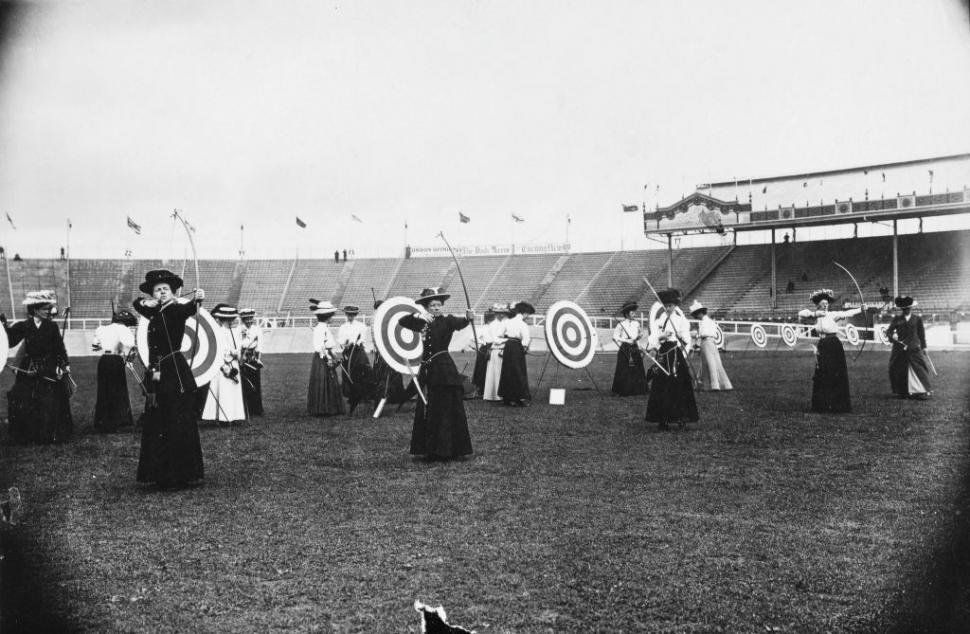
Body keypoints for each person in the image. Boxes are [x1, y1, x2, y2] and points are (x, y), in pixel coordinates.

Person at [132, 270, 205, 488]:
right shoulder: (154, 312)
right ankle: (159, 473)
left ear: (174, 293)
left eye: (166, 289)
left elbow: (189, 308)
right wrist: (146, 302)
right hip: (157, 370)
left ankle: (179, 474)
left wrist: (198, 299)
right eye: (157, 290)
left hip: (173, 371)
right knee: (158, 419)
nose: (162, 292)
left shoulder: (176, 309)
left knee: (176, 417)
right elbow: (137, 305)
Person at [398, 287, 474, 460]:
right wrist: (418, 315)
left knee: (446, 407)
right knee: (430, 407)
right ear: (427, 307)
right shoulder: (422, 321)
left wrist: (469, 317)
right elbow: (403, 321)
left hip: (444, 370)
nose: (436, 308)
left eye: (438, 305)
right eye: (432, 305)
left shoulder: (448, 321)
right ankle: (431, 449)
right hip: (428, 370)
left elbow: (462, 322)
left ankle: (450, 449)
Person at [3, 290, 74, 444]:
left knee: (48, 399)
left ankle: (47, 434)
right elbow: (10, 340)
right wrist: (3, 326)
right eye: (46, 308)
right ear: (35, 310)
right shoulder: (24, 325)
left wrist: (64, 364)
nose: (50, 311)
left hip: (48, 366)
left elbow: (59, 347)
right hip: (28, 367)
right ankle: (27, 435)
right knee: (24, 397)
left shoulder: (52, 326)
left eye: (49, 308)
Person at [798, 289, 865, 413]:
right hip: (822, 345)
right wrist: (815, 314)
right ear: (818, 305)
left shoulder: (832, 315)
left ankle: (837, 405)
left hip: (833, 344)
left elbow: (847, 313)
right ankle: (822, 404)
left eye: (827, 303)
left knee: (835, 372)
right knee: (822, 372)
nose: (825, 305)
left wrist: (860, 309)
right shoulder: (815, 316)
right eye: (823, 303)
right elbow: (801, 314)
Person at [645, 288, 698, 430]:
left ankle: (681, 418)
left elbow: (686, 339)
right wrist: (660, 337)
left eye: (671, 305)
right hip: (663, 354)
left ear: (675, 305)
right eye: (666, 306)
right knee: (662, 385)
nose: (668, 308)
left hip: (675, 354)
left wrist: (682, 338)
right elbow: (652, 339)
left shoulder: (681, 321)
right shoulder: (659, 321)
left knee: (679, 384)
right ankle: (663, 419)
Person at [92, 307, 138, 432]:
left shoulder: (101, 328)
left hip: (104, 360)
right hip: (116, 360)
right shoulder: (124, 330)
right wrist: (130, 357)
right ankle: (117, 421)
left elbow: (95, 346)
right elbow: (130, 347)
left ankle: (102, 421)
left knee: (104, 390)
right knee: (117, 390)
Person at [202, 304, 247, 425]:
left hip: (234, 363)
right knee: (224, 390)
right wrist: (233, 353)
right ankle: (223, 417)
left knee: (232, 390)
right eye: (229, 319)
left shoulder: (234, 332)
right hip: (224, 364)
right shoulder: (219, 332)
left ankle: (234, 415)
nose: (231, 321)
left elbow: (238, 347)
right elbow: (221, 350)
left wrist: (240, 351)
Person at [885, 296, 932, 399]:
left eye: (908, 308)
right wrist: (892, 336)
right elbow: (889, 331)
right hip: (900, 349)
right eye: (904, 309)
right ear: (902, 309)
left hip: (914, 348)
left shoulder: (917, 319)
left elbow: (921, 334)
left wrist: (924, 347)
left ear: (911, 308)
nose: (906, 310)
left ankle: (922, 391)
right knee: (897, 369)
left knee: (920, 368)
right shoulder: (897, 319)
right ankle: (903, 391)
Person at [369, 300, 409, 410]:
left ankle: (394, 396)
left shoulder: (378, 317)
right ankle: (383, 399)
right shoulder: (377, 319)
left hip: (386, 349)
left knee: (391, 374)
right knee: (384, 376)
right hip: (384, 350)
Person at [308, 300, 345, 416]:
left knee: (330, 382)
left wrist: (335, 357)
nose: (332, 318)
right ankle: (322, 409)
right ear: (327, 316)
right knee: (324, 382)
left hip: (326, 357)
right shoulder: (320, 329)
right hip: (322, 359)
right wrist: (328, 359)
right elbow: (320, 347)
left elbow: (329, 346)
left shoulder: (324, 328)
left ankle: (329, 407)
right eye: (331, 316)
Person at [688, 300, 733, 391]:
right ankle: (715, 384)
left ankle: (714, 385)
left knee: (710, 363)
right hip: (708, 342)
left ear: (700, 313)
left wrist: (696, 335)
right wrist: (698, 342)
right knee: (711, 362)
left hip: (707, 342)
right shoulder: (707, 321)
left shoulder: (706, 321)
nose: (695, 317)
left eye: (696, 315)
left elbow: (704, 333)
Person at [337, 305, 373, 413]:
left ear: (356, 315)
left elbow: (362, 338)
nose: (350, 316)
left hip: (358, 351)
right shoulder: (343, 326)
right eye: (348, 314)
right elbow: (340, 339)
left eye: (352, 314)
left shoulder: (361, 326)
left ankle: (364, 395)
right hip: (348, 352)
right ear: (346, 314)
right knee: (348, 373)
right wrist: (344, 344)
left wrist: (354, 343)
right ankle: (351, 394)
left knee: (362, 372)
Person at [498, 301, 534, 406]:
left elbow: (499, 335)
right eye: (528, 314)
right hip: (517, 347)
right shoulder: (522, 324)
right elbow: (526, 339)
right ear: (524, 313)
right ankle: (518, 398)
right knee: (518, 371)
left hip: (508, 346)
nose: (527, 316)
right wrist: (524, 347)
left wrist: (506, 340)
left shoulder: (507, 322)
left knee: (507, 371)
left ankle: (506, 398)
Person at [611, 301, 648, 396]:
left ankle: (637, 390)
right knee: (624, 368)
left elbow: (639, 334)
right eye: (632, 312)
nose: (634, 314)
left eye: (634, 312)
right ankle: (624, 390)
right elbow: (615, 337)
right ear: (627, 314)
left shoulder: (636, 323)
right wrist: (627, 340)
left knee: (637, 368)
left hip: (635, 347)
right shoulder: (621, 324)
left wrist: (639, 338)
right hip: (625, 348)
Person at [481, 303, 510, 402]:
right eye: (498, 313)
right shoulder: (493, 325)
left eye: (503, 313)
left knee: (503, 373)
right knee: (495, 373)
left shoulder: (506, 323)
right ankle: (494, 395)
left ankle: (503, 394)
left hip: (504, 350)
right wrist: (509, 340)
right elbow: (495, 339)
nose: (501, 315)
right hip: (496, 350)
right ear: (495, 313)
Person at [239, 308, 264, 416]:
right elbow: (238, 344)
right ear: (242, 319)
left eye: (250, 318)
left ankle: (256, 409)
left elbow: (260, 345)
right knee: (244, 383)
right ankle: (245, 409)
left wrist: (258, 358)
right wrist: (241, 357)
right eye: (246, 319)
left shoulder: (257, 329)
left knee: (255, 383)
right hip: (242, 358)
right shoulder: (238, 330)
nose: (248, 321)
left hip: (253, 358)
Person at [471, 308, 496, 397]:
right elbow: (473, 338)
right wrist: (484, 342)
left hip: (490, 347)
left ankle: (486, 389)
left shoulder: (487, 328)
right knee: (483, 369)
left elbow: (473, 338)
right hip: (487, 348)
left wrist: (483, 342)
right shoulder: (484, 328)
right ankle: (482, 389)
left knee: (486, 369)